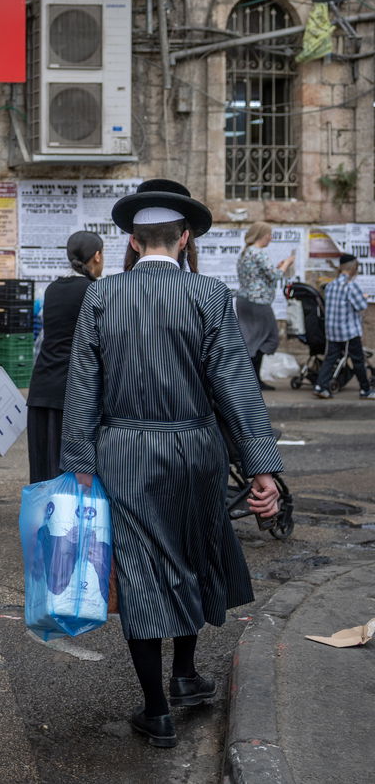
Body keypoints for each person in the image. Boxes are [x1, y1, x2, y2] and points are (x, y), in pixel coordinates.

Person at [61, 182, 282, 749]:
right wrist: (260, 467)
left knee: (139, 571)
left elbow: (83, 386)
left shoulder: (102, 297)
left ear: (133, 242)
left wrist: (80, 464)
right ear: (184, 239)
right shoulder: (209, 295)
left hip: (127, 454)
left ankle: (157, 709)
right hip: (197, 452)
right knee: (191, 556)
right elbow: (235, 385)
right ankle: (184, 674)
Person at [26, 231, 105, 484]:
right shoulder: (95, 291)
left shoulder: (52, 289)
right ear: (97, 256)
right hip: (73, 393)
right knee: (70, 471)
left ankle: (43, 520)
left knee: (43, 469)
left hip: (41, 387)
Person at [236, 222, 294, 392]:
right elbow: (275, 276)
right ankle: (253, 380)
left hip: (244, 300)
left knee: (252, 340)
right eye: (270, 234)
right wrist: (287, 264)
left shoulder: (246, 252)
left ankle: (251, 380)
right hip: (258, 302)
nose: (271, 237)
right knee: (269, 338)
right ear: (263, 235)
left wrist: (278, 267)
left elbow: (260, 275)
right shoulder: (258, 253)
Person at [313, 252, 372, 400]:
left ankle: (321, 386)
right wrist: (364, 298)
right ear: (353, 269)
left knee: (330, 358)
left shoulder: (331, 285)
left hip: (333, 330)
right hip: (349, 330)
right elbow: (360, 306)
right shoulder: (351, 286)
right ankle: (365, 389)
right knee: (358, 359)